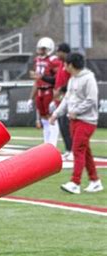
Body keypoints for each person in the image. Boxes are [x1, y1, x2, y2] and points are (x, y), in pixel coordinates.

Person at [49, 52, 103, 194]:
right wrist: (55, 114)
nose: (64, 67)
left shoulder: (89, 78)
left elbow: (91, 99)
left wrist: (77, 111)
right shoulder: (73, 79)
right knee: (85, 152)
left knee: (78, 150)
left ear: (71, 65)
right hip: (74, 120)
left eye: (66, 64)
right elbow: (66, 99)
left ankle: (75, 182)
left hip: (87, 121)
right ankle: (95, 181)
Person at [28, 37, 60, 146]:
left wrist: (55, 98)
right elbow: (37, 80)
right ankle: (47, 143)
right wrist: (30, 98)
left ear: (49, 49)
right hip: (40, 92)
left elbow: (57, 80)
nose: (41, 51)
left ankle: (53, 144)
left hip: (49, 91)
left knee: (51, 117)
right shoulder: (37, 60)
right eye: (40, 49)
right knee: (43, 118)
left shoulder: (54, 60)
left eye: (43, 49)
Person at [53, 43, 73, 160]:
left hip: (68, 99)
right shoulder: (61, 64)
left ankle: (72, 150)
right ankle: (68, 149)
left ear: (64, 52)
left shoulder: (70, 64)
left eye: (58, 51)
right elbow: (57, 80)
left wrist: (61, 90)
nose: (57, 54)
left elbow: (71, 81)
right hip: (60, 99)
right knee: (62, 125)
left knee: (66, 125)